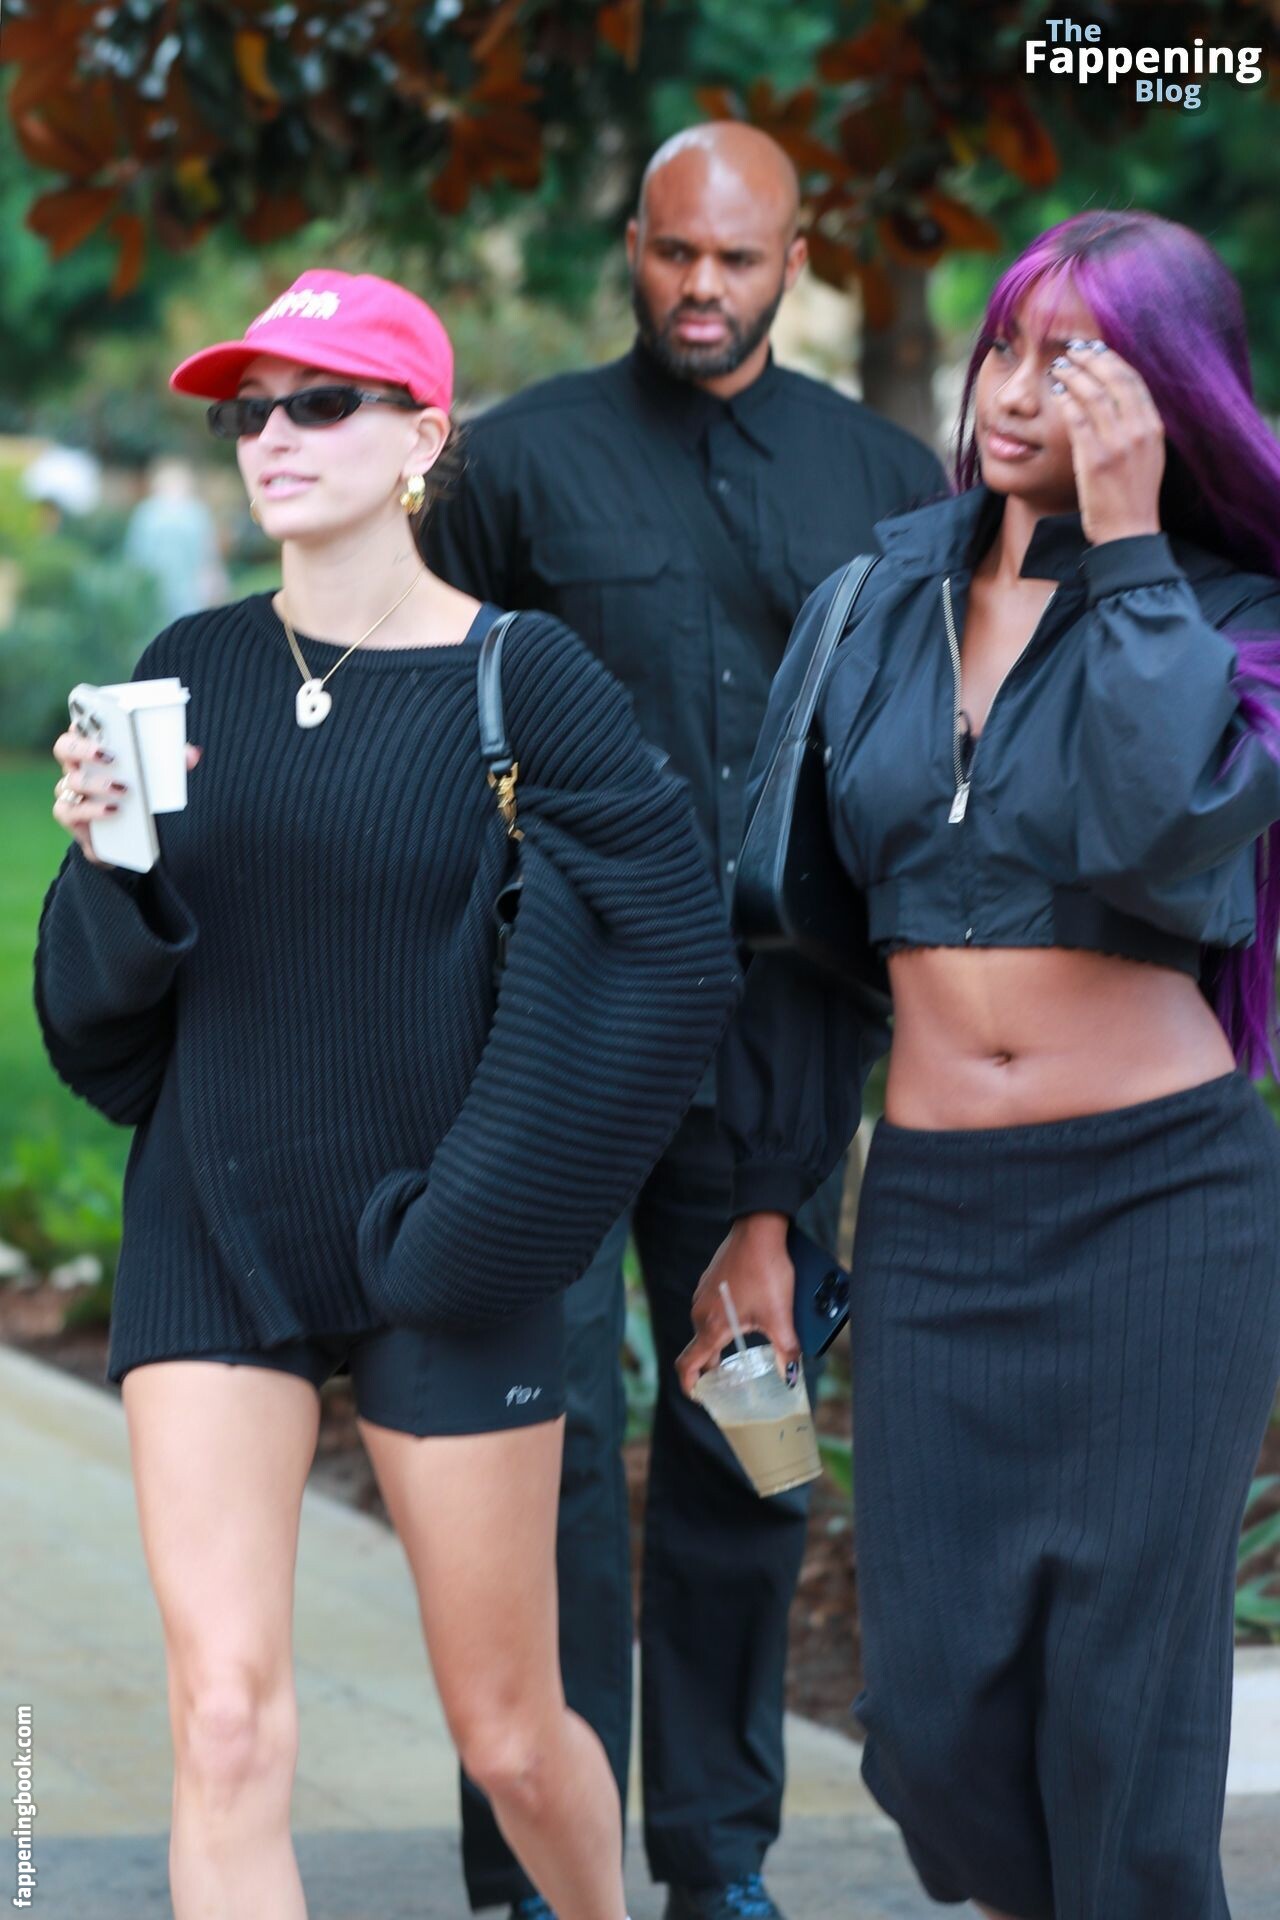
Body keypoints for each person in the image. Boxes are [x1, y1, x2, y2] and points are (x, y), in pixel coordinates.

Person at [33, 268, 740, 1920]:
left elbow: (674, 949)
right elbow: (99, 1026)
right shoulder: (186, 666)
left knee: (511, 1738)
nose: (273, 436)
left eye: (323, 401)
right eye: (249, 411)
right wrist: (109, 864)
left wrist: (496, 1213)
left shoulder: (522, 675)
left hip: (451, 1239)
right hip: (215, 1223)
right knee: (222, 1722)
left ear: (422, 436)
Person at [679, 209, 1280, 1920]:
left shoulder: (1233, 617)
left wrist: (1131, 549)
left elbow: (1155, 825)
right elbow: (792, 936)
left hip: (1164, 1208)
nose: (1017, 389)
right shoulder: (875, 601)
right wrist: (768, 1206)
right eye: (1008, 344)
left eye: (1077, 361)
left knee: (1123, 1719)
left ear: (1166, 398)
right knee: (932, 1722)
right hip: (942, 1216)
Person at [425, 120, 944, 1920]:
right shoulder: (516, 467)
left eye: (735, 257)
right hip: (546, 1052)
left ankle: (720, 1862)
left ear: (796, 257)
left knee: (757, 1441)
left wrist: (835, 1112)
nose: (701, 288)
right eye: (672, 251)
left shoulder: (889, 482)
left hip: (774, 1073)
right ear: (629, 246)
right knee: (540, 1450)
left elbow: (902, 789)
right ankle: (536, 1866)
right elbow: (435, 727)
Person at [123, 457, 229, 622]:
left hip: (160, 589)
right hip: (187, 591)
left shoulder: (147, 513)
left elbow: (135, 555)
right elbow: (209, 556)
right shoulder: (195, 512)